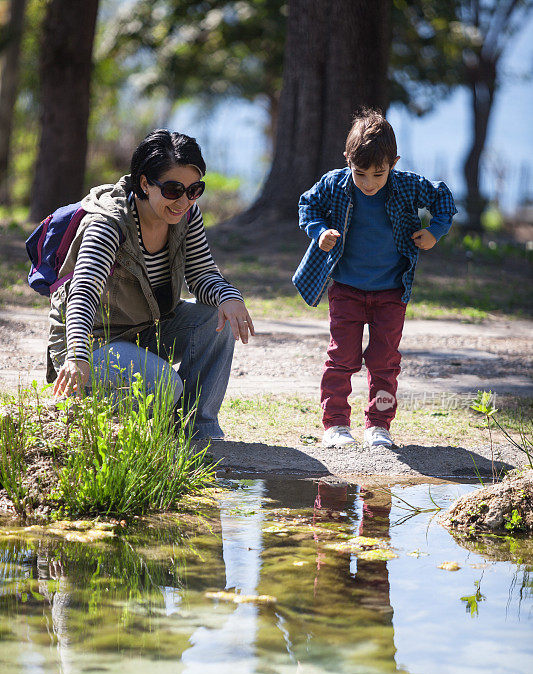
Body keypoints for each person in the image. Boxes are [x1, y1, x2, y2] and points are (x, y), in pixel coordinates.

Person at [48, 129, 254, 440]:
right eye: (173, 189)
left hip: (145, 330)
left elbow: (200, 273)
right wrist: (77, 355)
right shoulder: (107, 223)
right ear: (144, 183)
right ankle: (89, 406)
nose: (184, 200)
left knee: (218, 319)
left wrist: (229, 296)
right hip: (93, 343)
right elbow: (83, 292)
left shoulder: (186, 214)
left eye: (194, 189)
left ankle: (198, 429)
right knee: (166, 385)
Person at [293, 108, 457, 449]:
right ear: (347, 160)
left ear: (393, 163)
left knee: (385, 360)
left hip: (392, 292)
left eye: (378, 174)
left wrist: (435, 232)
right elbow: (306, 205)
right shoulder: (334, 184)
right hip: (347, 290)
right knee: (341, 357)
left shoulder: (410, 186)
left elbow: (444, 200)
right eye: (360, 173)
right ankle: (336, 424)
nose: (369, 183)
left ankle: (378, 425)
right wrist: (319, 230)